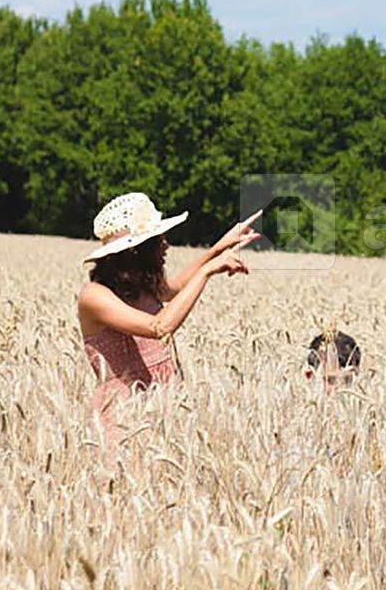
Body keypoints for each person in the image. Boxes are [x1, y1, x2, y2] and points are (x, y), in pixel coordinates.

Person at [78, 192, 260, 455]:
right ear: (136, 250)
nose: (166, 245)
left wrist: (219, 247)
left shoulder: (139, 286)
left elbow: (177, 288)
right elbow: (160, 327)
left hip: (162, 410)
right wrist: (207, 271)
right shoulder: (94, 296)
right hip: (123, 421)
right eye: (158, 239)